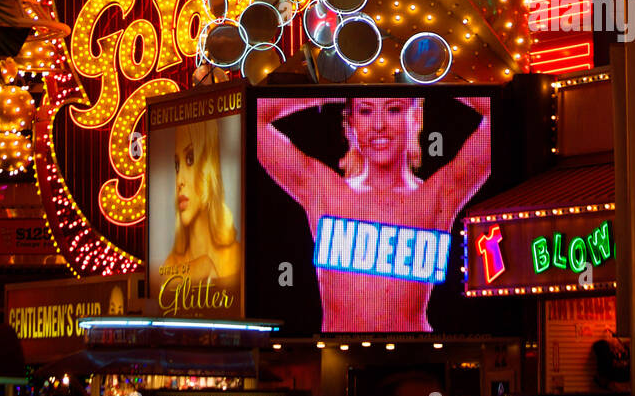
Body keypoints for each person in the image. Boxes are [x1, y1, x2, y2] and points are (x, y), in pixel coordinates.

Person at [257, 95, 490, 333]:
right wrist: (329, 91)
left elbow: (494, 114)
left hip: (417, 354)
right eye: (366, 112)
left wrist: (428, 78)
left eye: (394, 110)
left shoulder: (436, 195)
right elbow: (255, 117)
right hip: (337, 355)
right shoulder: (324, 192)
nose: (379, 125)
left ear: (416, 117)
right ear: (351, 123)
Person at [160, 121, 241, 290]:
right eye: (177, 165)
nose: (179, 180)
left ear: (208, 165)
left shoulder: (237, 257)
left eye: (190, 159)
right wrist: (202, 267)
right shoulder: (170, 264)